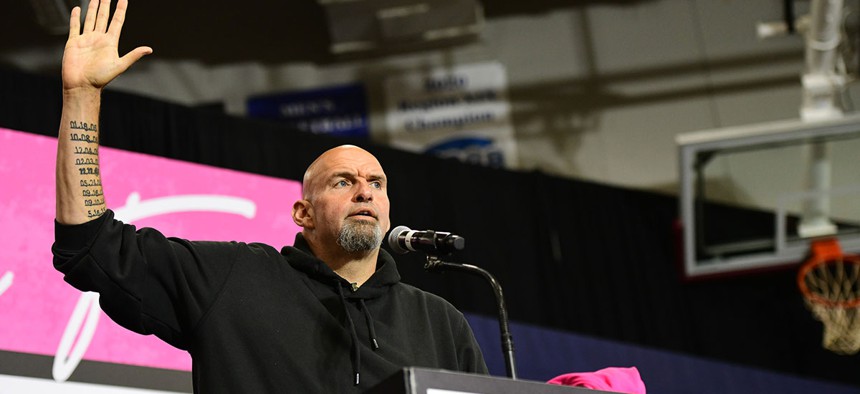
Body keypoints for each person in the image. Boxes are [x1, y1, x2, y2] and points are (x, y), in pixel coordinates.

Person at [51, 0, 488, 392]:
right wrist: (82, 95)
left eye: (376, 184)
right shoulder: (234, 279)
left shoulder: (440, 324)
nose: (363, 192)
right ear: (304, 213)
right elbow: (92, 246)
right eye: (343, 182)